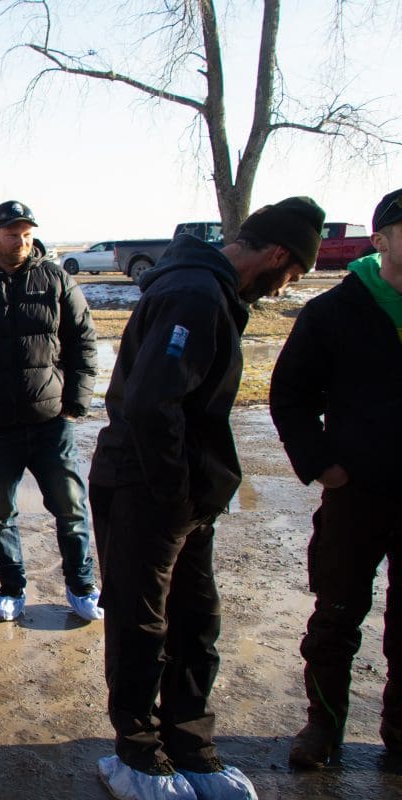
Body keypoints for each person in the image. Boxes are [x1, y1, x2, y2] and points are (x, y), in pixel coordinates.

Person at [89, 196, 325, 799]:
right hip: (146, 485)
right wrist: (173, 493)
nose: (284, 288)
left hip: (184, 493)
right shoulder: (194, 293)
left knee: (196, 619)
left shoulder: (212, 290)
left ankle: (190, 744)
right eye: (292, 274)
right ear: (276, 255)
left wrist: (194, 494)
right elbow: (149, 405)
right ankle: (137, 756)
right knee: (143, 623)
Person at [270, 188, 402, 768]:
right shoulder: (334, 311)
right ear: (381, 240)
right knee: (337, 617)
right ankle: (323, 727)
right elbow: (290, 395)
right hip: (358, 494)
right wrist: (323, 464)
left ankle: (400, 736)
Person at [0, 201, 100, 622]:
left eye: (27, 233)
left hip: (51, 423)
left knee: (70, 509)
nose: (21, 240)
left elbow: (83, 342)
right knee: (0, 513)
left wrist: (76, 402)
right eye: (12, 232)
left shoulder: (56, 279)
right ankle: (12, 587)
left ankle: (81, 585)